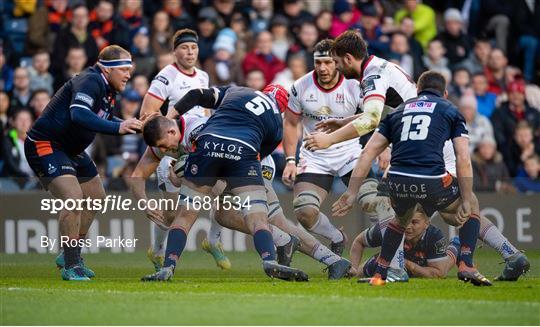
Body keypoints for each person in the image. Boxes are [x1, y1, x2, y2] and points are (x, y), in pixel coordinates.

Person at [132, 113, 351, 279]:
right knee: (234, 215)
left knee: (214, 212)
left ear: (171, 132)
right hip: (238, 166)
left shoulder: (196, 128)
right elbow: (138, 175)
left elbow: (212, 168)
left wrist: (182, 175)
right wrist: (144, 203)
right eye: (160, 148)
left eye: (165, 146)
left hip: (244, 166)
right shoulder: (166, 139)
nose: (165, 151)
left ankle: (282, 240)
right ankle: (332, 259)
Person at [332, 71, 492, 286]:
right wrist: (464, 197)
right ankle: (466, 265)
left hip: (396, 180)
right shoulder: (450, 110)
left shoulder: (397, 111)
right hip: (432, 179)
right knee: (471, 203)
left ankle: (380, 273)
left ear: (417, 90)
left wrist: (351, 192)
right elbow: (463, 157)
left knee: (400, 220)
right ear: (444, 93)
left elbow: (368, 152)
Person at [140, 84, 309, 282]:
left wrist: (172, 115)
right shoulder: (271, 116)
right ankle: (269, 260)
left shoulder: (233, 94)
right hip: (243, 152)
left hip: (208, 144)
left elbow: (196, 94)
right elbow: (266, 147)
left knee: (185, 216)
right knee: (257, 218)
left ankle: (168, 267)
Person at [23, 45, 143, 281]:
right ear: (107, 70)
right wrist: (118, 127)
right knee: (73, 198)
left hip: (70, 149)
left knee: (97, 197)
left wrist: (132, 125)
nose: (129, 75)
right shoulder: (90, 81)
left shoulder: (106, 88)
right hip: (46, 144)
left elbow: (102, 117)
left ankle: (71, 254)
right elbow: (79, 114)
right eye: (125, 70)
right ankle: (70, 265)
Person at [136, 29, 223, 271]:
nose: (190, 52)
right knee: (173, 213)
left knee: (224, 192)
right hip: (173, 147)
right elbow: (148, 115)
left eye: (193, 48)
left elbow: (205, 111)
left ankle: (213, 241)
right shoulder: (166, 76)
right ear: (175, 51)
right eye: (184, 48)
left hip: (198, 144)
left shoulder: (203, 76)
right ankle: (157, 250)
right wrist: (168, 134)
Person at [282, 39, 363, 256]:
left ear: (337, 62)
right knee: (304, 211)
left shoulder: (354, 85)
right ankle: (337, 237)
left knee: (374, 201)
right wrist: (290, 160)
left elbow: (373, 118)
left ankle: (391, 261)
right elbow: (290, 123)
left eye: (328, 62)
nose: (323, 68)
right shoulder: (300, 86)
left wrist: (383, 149)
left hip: (350, 153)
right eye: (318, 63)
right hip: (315, 156)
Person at [303, 31, 416, 157]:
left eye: (336, 61)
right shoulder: (378, 65)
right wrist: (343, 122)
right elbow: (387, 112)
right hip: (414, 134)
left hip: (413, 142)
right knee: (366, 156)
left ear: (348, 59)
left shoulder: (373, 77)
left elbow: (371, 119)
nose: (336, 67)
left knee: (368, 157)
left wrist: (330, 139)